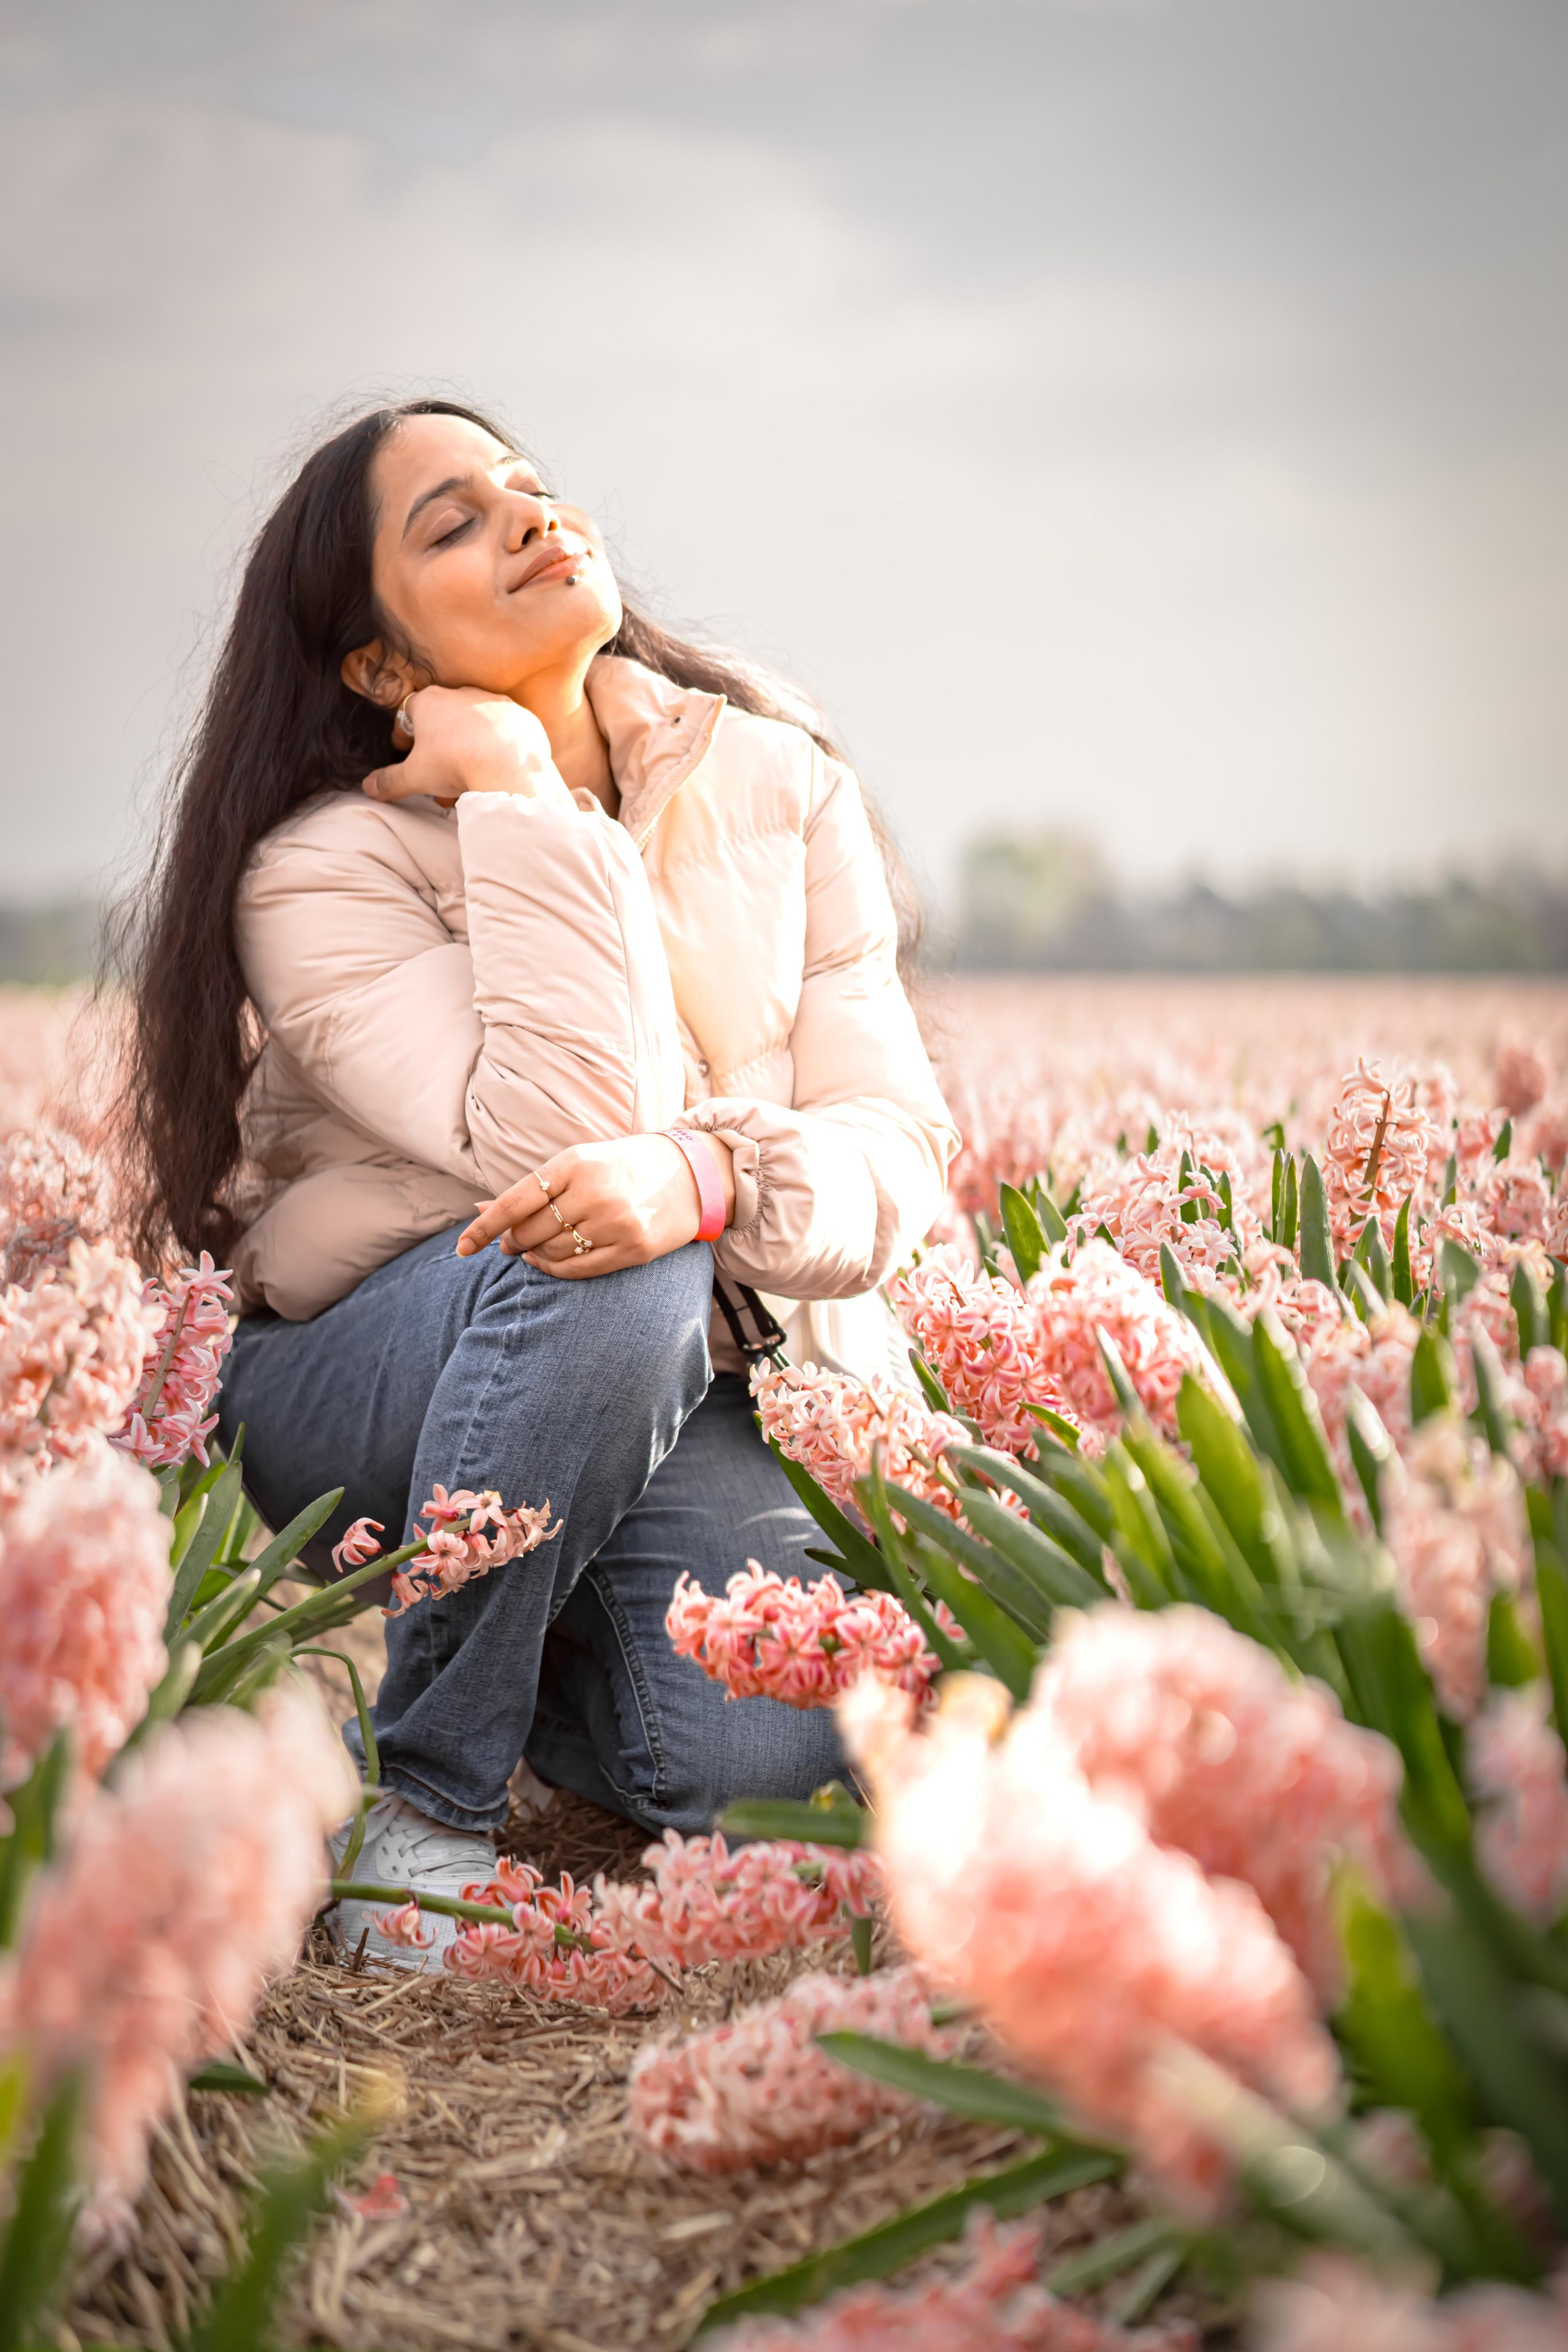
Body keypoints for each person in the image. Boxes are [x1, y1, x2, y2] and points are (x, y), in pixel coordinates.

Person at [120, 397, 956, 1961]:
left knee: (778, 1776)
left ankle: (562, 1617)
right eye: (451, 522)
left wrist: (707, 1175)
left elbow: (896, 1144)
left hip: (700, 1370)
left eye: (528, 487)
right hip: (386, 1365)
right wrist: (515, 787)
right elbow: (556, 1146)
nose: (524, 517)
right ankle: (419, 1802)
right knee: (606, 1254)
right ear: (378, 667)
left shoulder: (777, 786)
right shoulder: (319, 870)